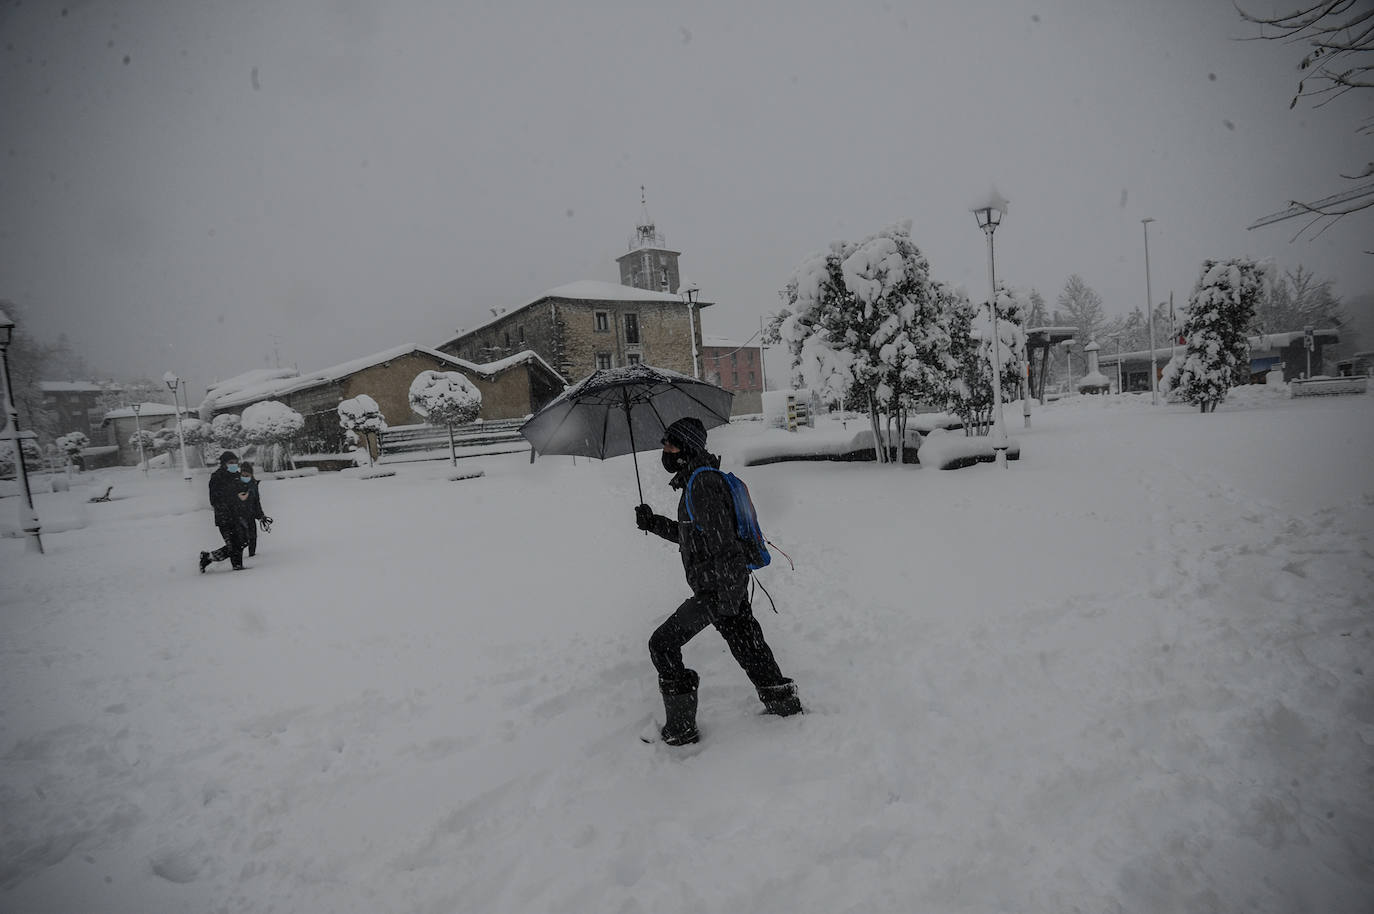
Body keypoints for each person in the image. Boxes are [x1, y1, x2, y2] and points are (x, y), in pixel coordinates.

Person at [635, 417, 801, 745]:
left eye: (670, 444)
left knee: (662, 644)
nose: (665, 451)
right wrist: (653, 523)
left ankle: (681, 729)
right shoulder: (696, 481)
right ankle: (784, 704)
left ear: (686, 449)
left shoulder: (703, 484)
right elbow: (693, 537)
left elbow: (724, 544)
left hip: (718, 588)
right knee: (749, 647)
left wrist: (724, 600)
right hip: (726, 586)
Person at [200, 451, 249, 572]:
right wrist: (227, 506)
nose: (234, 465)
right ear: (223, 464)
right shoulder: (217, 477)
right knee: (234, 543)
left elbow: (243, 493)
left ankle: (208, 557)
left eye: (236, 463)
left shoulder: (237, 476)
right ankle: (238, 567)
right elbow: (214, 499)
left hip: (238, 515)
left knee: (243, 541)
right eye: (231, 463)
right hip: (225, 517)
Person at [235, 461, 272, 558]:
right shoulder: (236, 484)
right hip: (239, 516)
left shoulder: (254, 485)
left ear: (251, 473)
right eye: (243, 472)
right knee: (242, 539)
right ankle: (237, 557)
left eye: (247, 472)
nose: (245, 474)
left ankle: (252, 555)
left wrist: (261, 515)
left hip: (250, 515)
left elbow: (256, 502)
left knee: (253, 537)